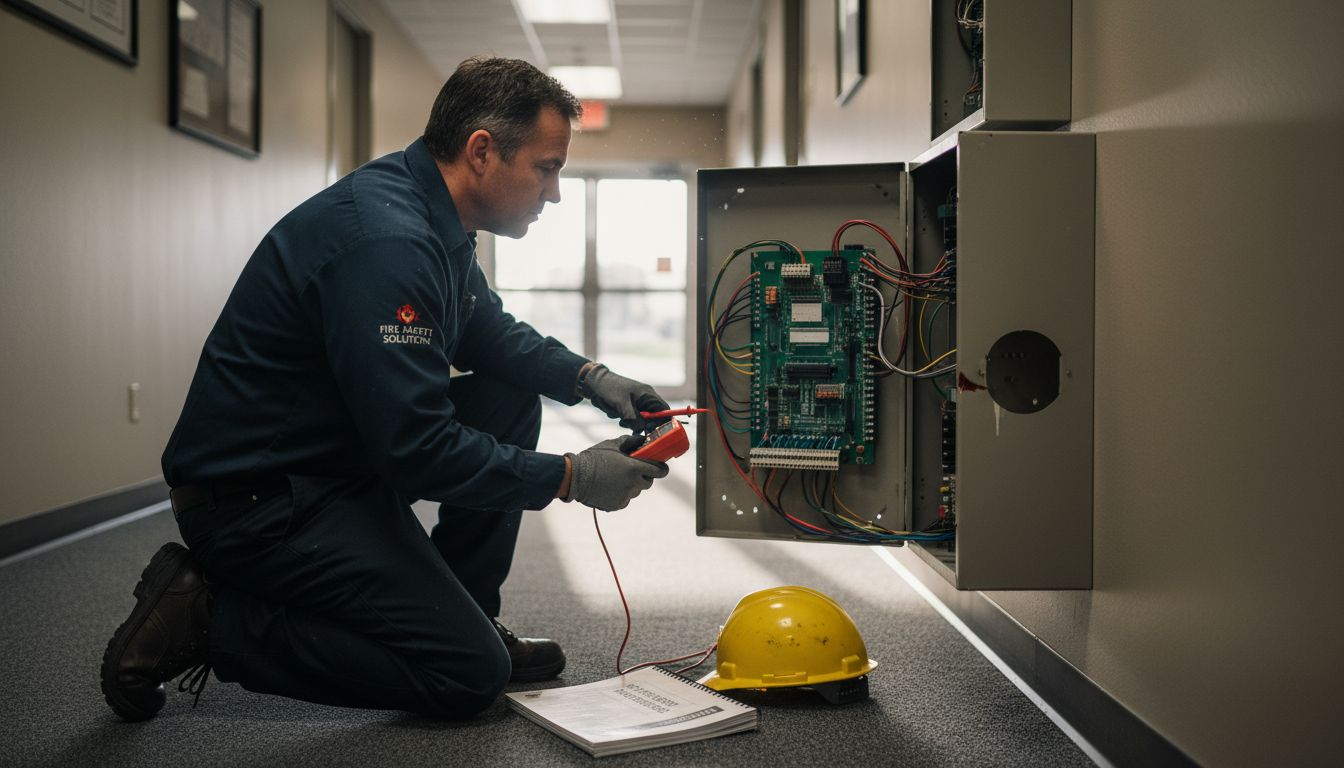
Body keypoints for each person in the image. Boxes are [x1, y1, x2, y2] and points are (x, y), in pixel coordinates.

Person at [99, 57, 673, 722]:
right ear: (481, 151)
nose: (554, 194)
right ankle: (211, 618)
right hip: (259, 505)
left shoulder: (433, 216)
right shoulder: (387, 240)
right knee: (466, 676)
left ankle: (468, 616)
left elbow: (487, 333)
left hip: (332, 465)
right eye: (547, 169)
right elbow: (418, 448)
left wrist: (591, 380)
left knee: (507, 397)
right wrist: (571, 477)